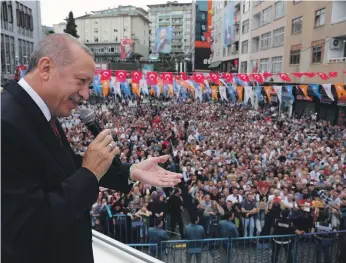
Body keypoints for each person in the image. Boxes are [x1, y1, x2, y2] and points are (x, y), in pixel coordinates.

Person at [1, 33, 182, 263]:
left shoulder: (39, 110)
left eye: (89, 84)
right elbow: (24, 231)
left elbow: (64, 168)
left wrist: (129, 171)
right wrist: (89, 174)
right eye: (81, 81)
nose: (86, 95)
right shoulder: (6, 125)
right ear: (46, 68)